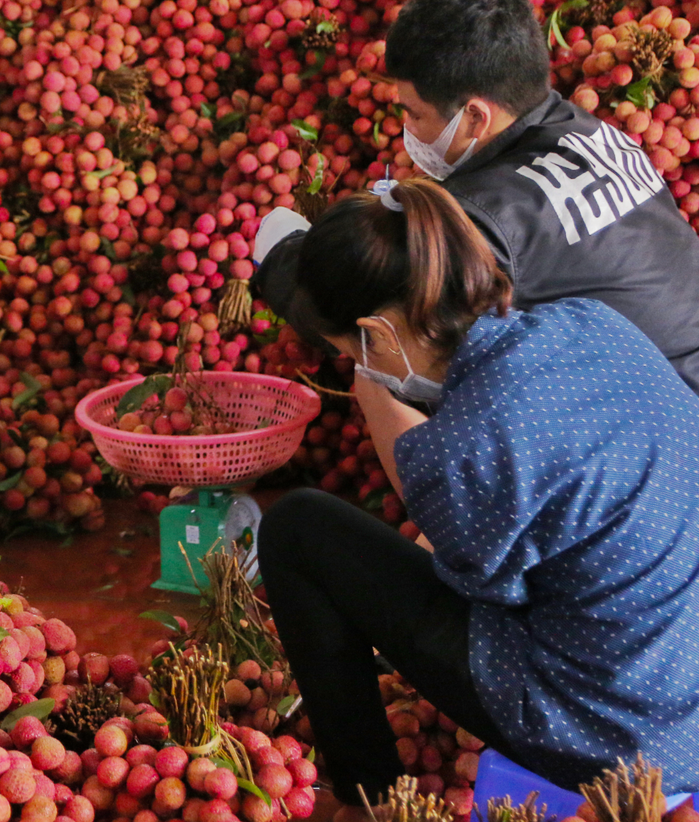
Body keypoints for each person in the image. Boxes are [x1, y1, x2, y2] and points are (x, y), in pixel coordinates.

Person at [256, 178, 699, 813]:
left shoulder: (464, 451)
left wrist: (372, 387)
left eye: (348, 351)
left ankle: (369, 795)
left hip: (621, 738)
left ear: (376, 337)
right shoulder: (591, 322)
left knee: (298, 526)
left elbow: (482, 585)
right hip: (686, 682)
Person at [252, 0, 699, 393]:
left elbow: (356, 312)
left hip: (665, 440)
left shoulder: (482, 218)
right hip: (678, 387)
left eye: (413, 113)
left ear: (474, 116)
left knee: (396, 372)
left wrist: (281, 256)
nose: (407, 128)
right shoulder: (593, 132)